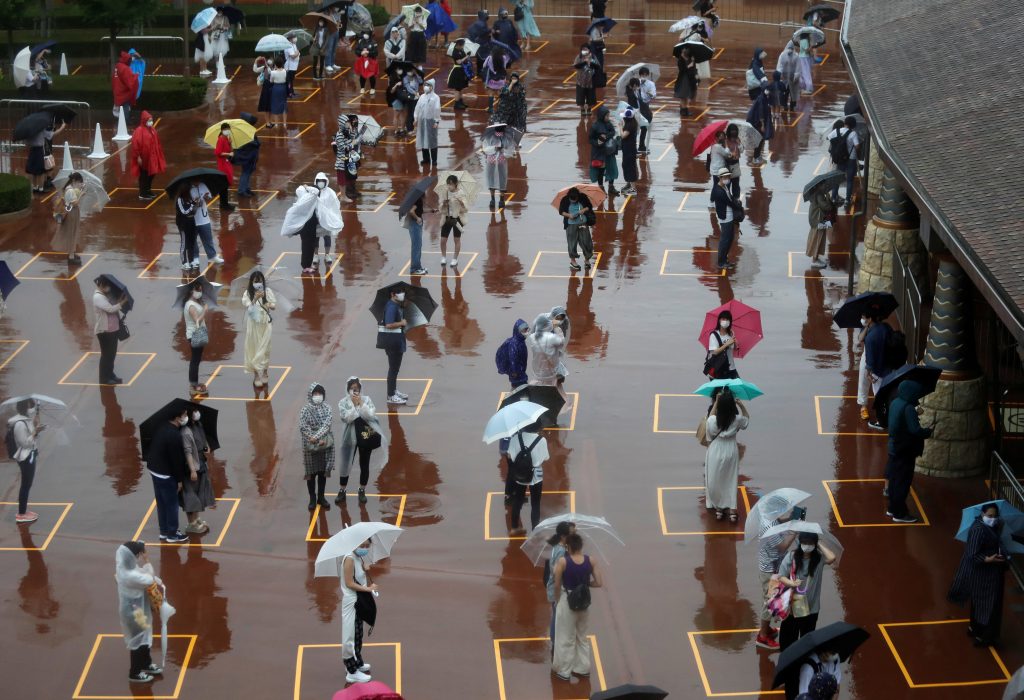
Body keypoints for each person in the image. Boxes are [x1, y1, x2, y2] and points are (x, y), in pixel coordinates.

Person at [777, 532, 837, 697]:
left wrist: (819, 544)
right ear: (800, 542)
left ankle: (803, 673)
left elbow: (832, 557)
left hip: (810, 611)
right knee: (787, 645)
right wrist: (791, 583)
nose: (807, 545)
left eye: (810, 543)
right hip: (792, 611)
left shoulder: (818, 559)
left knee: (806, 644)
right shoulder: (791, 557)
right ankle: (786, 674)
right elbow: (781, 575)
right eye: (804, 542)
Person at [949, 502, 1009, 647]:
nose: (993, 518)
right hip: (985, 574)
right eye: (990, 516)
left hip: (989, 573)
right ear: (982, 514)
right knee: (990, 606)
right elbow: (972, 555)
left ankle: (975, 629)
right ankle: (985, 637)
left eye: (995, 516)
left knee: (980, 603)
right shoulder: (978, 530)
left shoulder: (992, 526)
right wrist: (989, 559)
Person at [551, 533, 603, 681]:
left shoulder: (562, 562)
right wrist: (585, 585)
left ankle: (564, 670)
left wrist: (557, 599)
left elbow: (556, 584)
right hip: (584, 602)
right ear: (581, 546)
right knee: (582, 636)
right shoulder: (591, 560)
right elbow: (599, 582)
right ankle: (583, 667)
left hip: (567, 601)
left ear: (568, 547)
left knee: (565, 637)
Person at [115, 542, 165, 683]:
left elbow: (142, 573)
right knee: (138, 642)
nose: (139, 556)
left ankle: (146, 664)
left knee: (144, 637)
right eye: (137, 554)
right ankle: (135, 672)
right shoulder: (130, 575)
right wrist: (147, 561)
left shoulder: (124, 567)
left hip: (138, 608)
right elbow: (148, 578)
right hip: (134, 613)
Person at [885, 380, 932, 523]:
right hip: (905, 450)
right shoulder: (909, 408)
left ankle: (892, 508)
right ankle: (899, 513)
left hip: (894, 446)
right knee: (903, 482)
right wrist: (928, 431)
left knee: (894, 480)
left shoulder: (895, 402)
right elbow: (915, 430)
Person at [754, 499, 797, 651]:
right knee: (769, 601)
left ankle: (766, 629)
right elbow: (783, 546)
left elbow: (779, 520)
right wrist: (794, 532)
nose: (781, 513)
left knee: (769, 599)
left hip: (773, 566)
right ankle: (763, 636)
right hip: (769, 570)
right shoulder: (768, 527)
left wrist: (791, 518)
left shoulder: (769, 518)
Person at [336, 377, 387, 505]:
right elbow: (346, 418)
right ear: (348, 390)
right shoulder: (343, 402)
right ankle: (342, 490)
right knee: (346, 463)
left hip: (365, 437)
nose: (355, 391)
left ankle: (362, 490)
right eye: (352, 389)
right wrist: (354, 406)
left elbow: (371, 414)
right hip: (350, 438)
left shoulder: (367, 400)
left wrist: (360, 404)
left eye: (357, 389)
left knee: (365, 464)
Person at [704, 388, 749, 522]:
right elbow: (747, 420)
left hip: (716, 449)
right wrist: (741, 405)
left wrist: (717, 402)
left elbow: (709, 418)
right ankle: (732, 511)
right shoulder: (737, 419)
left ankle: (719, 508)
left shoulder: (713, 420)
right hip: (731, 450)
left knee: (715, 479)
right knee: (730, 479)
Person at [145, 407, 189, 543]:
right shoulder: (174, 435)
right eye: (184, 414)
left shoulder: (162, 426)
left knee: (161, 502)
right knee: (171, 504)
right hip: (165, 474)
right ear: (177, 418)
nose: (185, 417)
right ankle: (172, 534)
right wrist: (179, 480)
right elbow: (176, 461)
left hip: (154, 470)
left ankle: (163, 531)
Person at [340, 540, 378, 684]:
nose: (364, 548)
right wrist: (369, 589)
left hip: (358, 600)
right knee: (350, 636)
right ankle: (351, 672)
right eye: (362, 545)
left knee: (358, 634)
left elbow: (358, 576)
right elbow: (349, 583)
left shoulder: (357, 557)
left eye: (367, 546)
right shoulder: (349, 559)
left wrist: (364, 569)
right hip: (352, 602)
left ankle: (357, 663)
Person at [300, 383, 334, 511]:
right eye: (315, 394)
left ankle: (321, 497)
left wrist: (318, 438)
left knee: (322, 472)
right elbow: (303, 426)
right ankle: (312, 499)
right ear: (311, 395)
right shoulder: (305, 410)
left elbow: (327, 424)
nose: (318, 396)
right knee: (311, 473)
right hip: (310, 445)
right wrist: (312, 438)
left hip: (324, 443)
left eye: (320, 394)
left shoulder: (328, 408)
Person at [180, 407, 214, 535]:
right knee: (190, 494)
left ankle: (197, 518)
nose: (196, 413)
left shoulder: (198, 424)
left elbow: (203, 438)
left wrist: (207, 446)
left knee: (199, 491)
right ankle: (191, 523)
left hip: (201, 462)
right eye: (193, 412)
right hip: (191, 467)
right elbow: (187, 452)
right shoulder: (185, 431)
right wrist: (192, 470)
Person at [507, 428, 546, 536]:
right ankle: (535, 531)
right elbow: (546, 457)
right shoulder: (541, 440)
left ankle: (514, 527)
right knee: (535, 503)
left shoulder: (515, 438)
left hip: (520, 473)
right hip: (536, 475)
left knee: (518, 500)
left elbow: (510, 456)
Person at [241, 269, 276, 389]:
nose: (258, 284)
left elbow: (274, 306)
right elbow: (249, 309)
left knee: (266, 348)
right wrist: (255, 298)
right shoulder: (247, 294)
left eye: (259, 281)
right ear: (251, 282)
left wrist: (269, 304)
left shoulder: (268, 291)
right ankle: (256, 375)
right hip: (253, 325)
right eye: (255, 281)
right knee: (254, 348)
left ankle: (265, 372)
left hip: (266, 324)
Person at [9, 398, 41, 524]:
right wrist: (35, 432)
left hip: (29, 455)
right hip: (26, 458)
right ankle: (21, 514)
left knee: (27, 484)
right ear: (24, 408)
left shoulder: (25, 419)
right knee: (26, 485)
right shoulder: (20, 424)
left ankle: (23, 511)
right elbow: (25, 443)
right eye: (29, 406)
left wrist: (36, 424)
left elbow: (31, 437)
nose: (31, 409)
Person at [526, 314, 569, 407]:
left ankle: (540, 403)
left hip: (537, 371)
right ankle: (556, 406)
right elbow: (561, 343)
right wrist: (557, 328)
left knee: (540, 388)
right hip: (550, 371)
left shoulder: (533, 337)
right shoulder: (552, 338)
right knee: (553, 389)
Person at [93, 276, 129, 385]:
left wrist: (118, 301)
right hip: (105, 331)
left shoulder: (105, 295)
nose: (108, 288)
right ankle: (104, 378)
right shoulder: (98, 297)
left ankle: (110, 374)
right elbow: (110, 309)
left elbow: (112, 305)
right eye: (107, 286)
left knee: (112, 354)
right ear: (101, 286)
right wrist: (122, 303)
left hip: (113, 329)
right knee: (106, 355)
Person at [544, 522, 575, 646]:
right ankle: (555, 642)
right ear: (563, 536)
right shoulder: (561, 552)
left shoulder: (558, 547)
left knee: (556, 615)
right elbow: (558, 573)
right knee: (557, 617)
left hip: (553, 587)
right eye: (571, 534)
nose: (574, 536)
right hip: (557, 589)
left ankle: (555, 640)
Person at [861, 312, 893, 429]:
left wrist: (868, 372)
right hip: (890, 368)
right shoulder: (886, 327)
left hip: (878, 372)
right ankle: (890, 418)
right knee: (889, 395)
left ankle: (881, 422)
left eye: (864, 317)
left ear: (869, 319)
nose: (863, 319)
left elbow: (870, 360)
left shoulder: (870, 337)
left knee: (879, 397)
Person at [379, 288, 409, 404]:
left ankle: (393, 391)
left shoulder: (395, 305)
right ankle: (391, 396)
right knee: (393, 369)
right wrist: (401, 323)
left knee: (395, 369)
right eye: (399, 292)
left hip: (395, 342)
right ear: (393, 294)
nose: (402, 294)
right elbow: (388, 324)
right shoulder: (391, 307)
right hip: (393, 343)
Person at [129, 111, 166, 201]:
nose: (151, 122)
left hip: (152, 157)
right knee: (144, 175)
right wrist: (138, 156)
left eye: (151, 120)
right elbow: (135, 144)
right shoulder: (139, 131)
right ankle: (143, 192)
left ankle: (147, 190)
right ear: (144, 120)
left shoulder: (152, 130)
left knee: (152, 173)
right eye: (149, 120)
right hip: (144, 158)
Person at [189, 179, 225, 266]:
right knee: (192, 240)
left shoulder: (203, 185)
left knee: (208, 239)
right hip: (192, 220)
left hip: (204, 219)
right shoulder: (188, 189)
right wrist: (195, 202)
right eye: (196, 180)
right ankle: (195, 258)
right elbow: (186, 203)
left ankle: (212, 256)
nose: (198, 182)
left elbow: (209, 197)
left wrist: (206, 197)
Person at [710, 168, 741, 271]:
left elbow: (731, 198)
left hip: (730, 217)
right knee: (725, 240)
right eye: (725, 177)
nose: (727, 179)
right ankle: (721, 262)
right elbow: (730, 202)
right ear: (720, 178)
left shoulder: (724, 187)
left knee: (730, 238)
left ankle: (724, 259)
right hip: (725, 218)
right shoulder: (719, 191)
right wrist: (738, 206)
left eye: (728, 177)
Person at [183, 280, 209, 397]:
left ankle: (194, 383)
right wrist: (205, 310)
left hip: (198, 333)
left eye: (200, 290)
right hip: (194, 335)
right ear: (191, 291)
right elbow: (197, 320)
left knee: (197, 360)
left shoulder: (196, 302)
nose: (200, 292)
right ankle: (193, 385)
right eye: (198, 290)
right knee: (195, 360)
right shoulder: (190, 305)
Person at [50, 171, 83, 265]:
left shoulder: (70, 189)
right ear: (74, 181)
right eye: (79, 182)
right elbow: (75, 203)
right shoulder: (70, 191)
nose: (80, 184)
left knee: (73, 232)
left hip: (73, 212)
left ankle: (72, 253)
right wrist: (81, 194)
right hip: (72, 213)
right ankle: (71, 257)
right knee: (72, 233)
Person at [558, 187, 594, 272]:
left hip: (583, 223)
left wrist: (584, 209)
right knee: (572, 243)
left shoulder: (583, 197)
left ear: (578, 196)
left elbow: (590, 206)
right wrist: (568, 215)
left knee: (586, 241)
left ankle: (587, 259)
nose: (573, 201)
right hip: (571, 225)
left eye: (575, 199)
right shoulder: (565, 200)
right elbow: (561, 211)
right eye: (571, 199)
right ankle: (573, 261)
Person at [24, 118, 62, 194]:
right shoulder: (42, 131)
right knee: (40, 172)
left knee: (33, 171)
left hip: (32, 151)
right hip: (39, 151)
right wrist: (62, 127)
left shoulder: (30, 132)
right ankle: (41, 189)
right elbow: (53, 134)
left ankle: (35, 188)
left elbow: (26, 143)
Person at [589, 105, 619, 196]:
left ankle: (611, 187)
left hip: (609, 152)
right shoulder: (595, 126)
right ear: (602, 115)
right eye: (606, 116)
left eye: (608, 116)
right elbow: (590, 139)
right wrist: (597, 143)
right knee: (600, 171)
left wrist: (606, 136)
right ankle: (601, 188)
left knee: (611, 168)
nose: (608, 118)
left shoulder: (608, 124)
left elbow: (613, 132)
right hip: (599, 153)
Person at [439, 174, 468, 267]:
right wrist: (444, 204)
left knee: (456, 239)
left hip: (457, 219)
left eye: (451, 184)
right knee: (443, 239)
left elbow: (465, 209)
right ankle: (443, 257)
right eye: (448, 184)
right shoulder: (445, 192)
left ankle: (455, 259)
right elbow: (441, 209)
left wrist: (461, 203)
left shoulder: (461, 194)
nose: (449, 186)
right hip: (447, 218)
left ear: (456, 184)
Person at [333, 114, 362, 203]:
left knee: (348, 177)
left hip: (348, 159)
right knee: (342, 180)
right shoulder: (339, 135)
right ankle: (343, 196)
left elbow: (352, 138)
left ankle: (346, 194)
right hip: (342, 161)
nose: (348, 124)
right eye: (346, 122)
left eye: (348, 122)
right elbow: (343, 148)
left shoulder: (347, 132)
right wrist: (352, 144)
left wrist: (355, 132)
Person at [482, 125, 513, 210]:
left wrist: (494, 148)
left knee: (491, 179)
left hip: (491, 162)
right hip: (501, 162)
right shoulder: (507, 138)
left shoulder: (488, 137)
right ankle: (501, 200)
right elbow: (510, 152)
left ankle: (492, 200)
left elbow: (485, 149)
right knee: (502, 180)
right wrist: (502, 150)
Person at [414, 78, 442, 168]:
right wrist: (416, 118)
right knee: (423, 140)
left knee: (432, 140)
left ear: (432, 87)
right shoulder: (422, 97)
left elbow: (437, 109)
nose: (426, 87)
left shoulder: (436, 97)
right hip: (422, 121)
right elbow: (417, 108)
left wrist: (436, 121)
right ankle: (426, 159)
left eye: (428, 85)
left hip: (431, 121)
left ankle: (434, 160)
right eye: (425, 85)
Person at [806, 186, 835, 269]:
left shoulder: (816, 194)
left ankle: (816, 258)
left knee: (819, 239)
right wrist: (828, 198)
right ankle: (814, 260)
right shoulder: (819, 195)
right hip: (819, 221)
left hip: (816, 220)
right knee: (817, 239)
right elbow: (827, 207)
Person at [234, 113, 261, 198]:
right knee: (245, 173)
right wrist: (258, 143)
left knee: (248, 173)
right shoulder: (245, 131)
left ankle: (246, 188)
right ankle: (242, 190)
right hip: (247, 156)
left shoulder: (246, 129)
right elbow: (252, 143)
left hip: (249, 156)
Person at [707, 308, 740, 378]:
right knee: (721, 389)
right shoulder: (714, 335)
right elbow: (714, 352)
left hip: (732, 368)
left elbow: (734, 349)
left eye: (727, 319)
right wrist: (726, 344)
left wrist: (735, 342)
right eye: (723, 319)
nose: (725, 321)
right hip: (719, 369)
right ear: (719, 320)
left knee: (738, 388)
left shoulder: (731, 334)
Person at [746, 87, 774, 165]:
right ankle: (756, 158)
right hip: (757, 122)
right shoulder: (761, 99)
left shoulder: (764, 97)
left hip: (759, 122)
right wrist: (762, 125)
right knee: (759, 140)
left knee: (761, 140)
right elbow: (761, 112)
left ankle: (758, 156)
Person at [175, 183, 200, 271]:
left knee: (192, 242)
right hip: (183, 223)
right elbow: (184, 212)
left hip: (191, 222)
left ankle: (191, 260)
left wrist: (196, 204)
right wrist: (193, 204)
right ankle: (184, 262)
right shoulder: (179, 200)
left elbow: (193, 210)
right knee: (184, 243)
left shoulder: (189, 199)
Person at [402, 190, 427, 276]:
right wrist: (417, 218)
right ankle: (414, 269)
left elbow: (419, 211)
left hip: (414, 224)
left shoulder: (417, 199)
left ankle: (418, 267)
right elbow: (412, 211)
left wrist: (431, 211)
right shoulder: (418, 200)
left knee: (418, 245)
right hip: (415, 225)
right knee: (416, 246)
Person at [111, 51, 139, 123]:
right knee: (125, 105)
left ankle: (122, 120)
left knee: (121, 106)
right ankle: (125, 121)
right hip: (123, 92)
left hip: (117, 90)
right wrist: (136, 75)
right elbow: (130, 81)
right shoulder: (125, 69)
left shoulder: (118, 66)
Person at [573, 45, 601, 117]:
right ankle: (582, 110)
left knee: (590, 98)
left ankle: (589, 110)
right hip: (580, 82)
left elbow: (598, 66)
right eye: (583, 49)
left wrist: (591, 63)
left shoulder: (593, 57)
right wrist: (584, 62)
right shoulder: (579, 57)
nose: (584, 51)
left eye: (586, 49)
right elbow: (576, 65)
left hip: (591, 82)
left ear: (589, 50)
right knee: (581, 97)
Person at [213, 122, 235, 210]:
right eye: (226, 129)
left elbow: (230, 150)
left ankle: (225, 204)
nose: (228, 131)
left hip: (226, 163)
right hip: (222, 165)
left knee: (225, 185)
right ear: (222, 130)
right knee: (224, 185)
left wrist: (230, 144)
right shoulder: (221, 139)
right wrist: (228, 153)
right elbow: (218, 152)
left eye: (228, 129)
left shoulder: (226, 139)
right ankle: (223, 204)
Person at [482, 46, 509, 114]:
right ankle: (502, 108)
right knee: (500, 92)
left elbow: (484, 66)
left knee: (491, 93)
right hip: (501, 79)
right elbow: (504, 67)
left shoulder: (489, 57)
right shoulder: (504, 57)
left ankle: (491, 109)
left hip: (492, 78)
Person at [635, 66, 656, 154]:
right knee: (635, 128)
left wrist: (649, 93)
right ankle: (633, 146)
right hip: (636, 108)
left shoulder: (651, 84)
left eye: (646, 75)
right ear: (640, 75)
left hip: (645, 107)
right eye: (642, 75)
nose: (644, 76)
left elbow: (654, 95)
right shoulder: (636, 83)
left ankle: (641, 145)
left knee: (644, 127)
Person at [447, 38, 472, 109]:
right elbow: (458, 62)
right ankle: (457, 103)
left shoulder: (461, 50)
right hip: (457, 71)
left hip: (462, 70)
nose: (463, 46)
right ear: (458, 45)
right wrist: (466, 56)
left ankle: (461, 102)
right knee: (457, 88)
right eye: (462, 45)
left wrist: (467, 57)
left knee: (461, 87)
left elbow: (464, 59)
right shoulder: (455, 52)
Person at [619, 107, 639, 195]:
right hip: (628, 149)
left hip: (629, 150)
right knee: (626, 166)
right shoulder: (632, 123)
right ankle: (629, 184)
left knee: (630, 168)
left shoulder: (630, 126)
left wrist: (619, 127)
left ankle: (633, 189)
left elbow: (623, 136)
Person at [674, 46, 698, 116]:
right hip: (684, 79)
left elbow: (694, 68)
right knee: (683, 96)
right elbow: (682, 70)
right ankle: (683, 110)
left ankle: (685, 109)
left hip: (690, 79)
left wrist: (696, 74)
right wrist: (688, 66)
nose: (685, 50)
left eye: (686, 49)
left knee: (687, 96)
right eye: (684, 49)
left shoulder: (691, 59)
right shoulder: (680, 60)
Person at [776, 41, 800, 111]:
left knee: (793, 93)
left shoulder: (796, 56)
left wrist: (796, 75)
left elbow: (798, 67)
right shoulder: (782, 55)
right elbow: (779, 66)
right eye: (789, 48)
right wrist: (779, 74)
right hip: (784, 78)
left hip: (793, 78)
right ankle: (784, 105)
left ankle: (792, 106)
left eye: (791, 48)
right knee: (785, 92)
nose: (790, 50)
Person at [267, 59, 288, 128]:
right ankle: (284, 123)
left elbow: (271, 81)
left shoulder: (273, 72)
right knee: (284, 104)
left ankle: (276, 123)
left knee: (275, 104)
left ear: (275, 65)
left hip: (276, 88)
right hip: (283, 88)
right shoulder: (285, 71)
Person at [324, 8, 343, 75]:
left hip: (336, 31)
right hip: (330, 32)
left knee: (334, 49)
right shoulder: (326, 13)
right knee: (329, 48)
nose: (336, 7)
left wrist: (339, 22)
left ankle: (332, 63)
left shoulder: (337, 12)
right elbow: (325, 23)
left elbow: (338, 22)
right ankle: (327, 64)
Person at [310, 17, 328, 81]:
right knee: (315, 61)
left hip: (323, 47)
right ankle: (315, 75)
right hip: (316, 47)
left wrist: (323, 48)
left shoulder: (326, 29)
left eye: (322, 22)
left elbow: (326, 39)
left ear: (324, 23)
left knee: (322, 62)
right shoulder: (316, 28)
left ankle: (320, 75)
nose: (321, 23)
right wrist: (313, 39)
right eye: (320, 21)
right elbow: (312, 37)